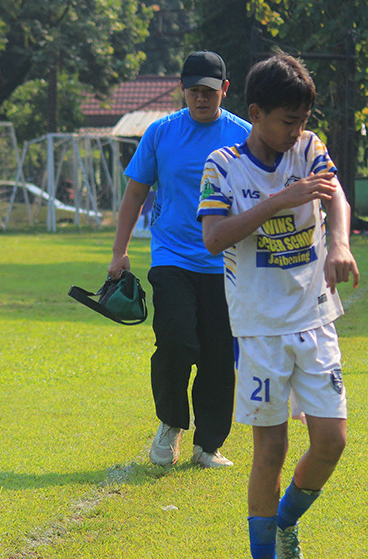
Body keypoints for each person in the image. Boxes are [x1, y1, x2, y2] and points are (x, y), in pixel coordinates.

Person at [198, 53, 360, 559]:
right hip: (259, 329)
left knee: (332, 441)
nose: (296, 131)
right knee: (270, 449)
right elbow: (214, 238)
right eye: (288, 121)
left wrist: (339, 244)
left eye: (303, 120)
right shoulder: (223, 165)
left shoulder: (310, 149)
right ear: (255, 113)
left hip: (316, 317)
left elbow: (335, 196)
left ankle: (287, 520)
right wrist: (279, 202)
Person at [108, 50, 252, 469]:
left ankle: (208, 445)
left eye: (209, 91)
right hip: (171, 256)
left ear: (225, 89)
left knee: (218, 355)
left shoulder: (245, 135)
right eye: (193, 90)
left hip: (226, 262)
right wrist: (119, 252)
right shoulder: (161, 132)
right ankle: (171, 424)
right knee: (175, 340)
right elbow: (136, 192)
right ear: (182, 89)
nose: (200, 98)